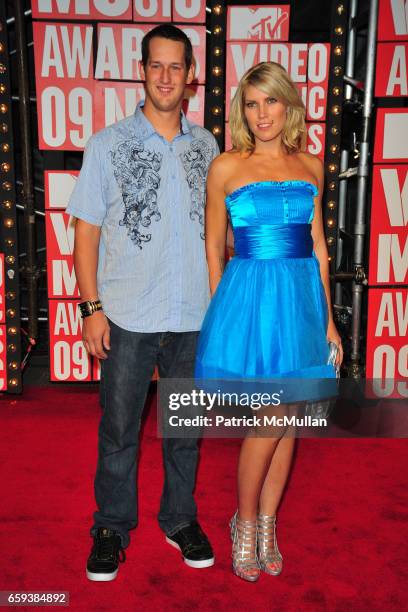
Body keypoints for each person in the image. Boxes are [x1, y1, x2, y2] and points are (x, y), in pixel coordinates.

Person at [67, 24, 219, 581]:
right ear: (142, 70)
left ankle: (180, 519)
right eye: (157, 65)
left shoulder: (208, 146)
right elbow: (84, 233)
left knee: (185, 430)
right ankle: (111, 525)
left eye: (176, 67)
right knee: (119, 430)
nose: (165, 77)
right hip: (127, 315)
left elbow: (217, 232)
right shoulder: (108, 144)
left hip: (193, 317)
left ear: (190, 77)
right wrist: (90, 308)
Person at [195, 61, 343, 582]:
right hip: (251, 301)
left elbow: (321, 248)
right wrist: (226, 313)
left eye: (271, 101)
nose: (262, 113)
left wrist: (328, 321)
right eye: (252, 103)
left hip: (302, 301)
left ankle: (267, 525)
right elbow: (214, 248)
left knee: (293, 419)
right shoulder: (226, 168)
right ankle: (244, 520)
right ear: (242, 110)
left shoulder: (312, 167)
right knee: (271, 419)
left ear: (288, 105)